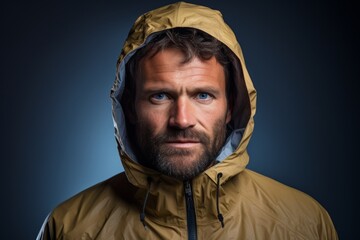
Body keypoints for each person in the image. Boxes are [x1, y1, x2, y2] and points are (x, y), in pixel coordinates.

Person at [37, 2, 338, 239]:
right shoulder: (68, 229)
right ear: (129, 108)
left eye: (203, 95)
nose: (182, 120)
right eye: (160, 96)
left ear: (232, 106)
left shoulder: (305, 224)